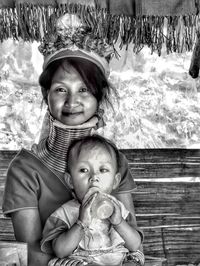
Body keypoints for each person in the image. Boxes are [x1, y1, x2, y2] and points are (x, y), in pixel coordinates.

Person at [2, 13, 141, 266]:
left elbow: (129, 238)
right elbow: (32, 254)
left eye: (84, 89)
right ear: (46, 94)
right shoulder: (24, 170)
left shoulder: (114, 163)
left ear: (99, 96)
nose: (72, 101)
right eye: (60, 89)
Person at [41, 135, 144, 266]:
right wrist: (81, 224)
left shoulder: (119, 209)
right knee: (57, 263)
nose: (94, 177)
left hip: (118, 261)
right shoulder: (63, 214)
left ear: (115, 181)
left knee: (136, 258)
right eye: (84, 170)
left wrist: (119, 222)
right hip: (82, 262)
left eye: (103, 170)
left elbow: (135, 245)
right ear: (70, 181)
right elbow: (60, 251)